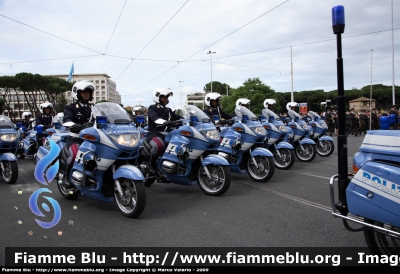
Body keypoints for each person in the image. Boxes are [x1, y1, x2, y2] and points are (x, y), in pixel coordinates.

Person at [62, 80, 95, 187]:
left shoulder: (94, 108)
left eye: (88, 92)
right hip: (76, 139)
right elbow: (67, 120)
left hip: (93, 139)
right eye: (84, 92)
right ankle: (66, 177)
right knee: (76, 154)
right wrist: (74, 125)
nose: (87, 94)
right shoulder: (70, 108)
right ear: (77, 94)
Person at [146, 88, 182, 172]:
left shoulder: (168, 110)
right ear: (157, 97)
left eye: (166, 97)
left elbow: (177, 117)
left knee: (179, 144)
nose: (166, 99)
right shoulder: (152, 108)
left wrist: (188, 119)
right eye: (163, 97)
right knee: (158, 145)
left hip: (168, 134)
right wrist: (166, 122)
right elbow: (155, 118)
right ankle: (151, 165)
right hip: (155, 134)